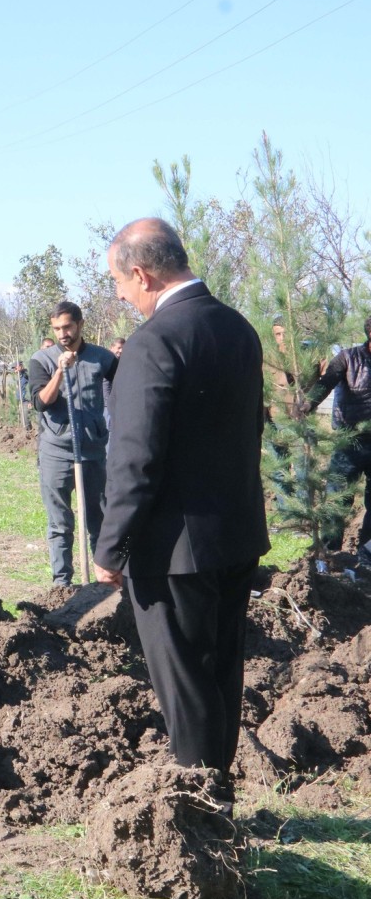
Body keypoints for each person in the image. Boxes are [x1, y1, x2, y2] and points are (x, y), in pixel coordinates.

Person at [96, 217, 268, 781]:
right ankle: (219, 799)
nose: (121, 297)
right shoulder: (239, 328)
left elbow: (135, 459)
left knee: (187, 685)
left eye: (120, 285)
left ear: (141, 274)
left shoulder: (154, 342)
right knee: (221, 676)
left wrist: (111, 546)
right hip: (235, 533)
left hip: (173, 552)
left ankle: (199, 815)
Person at [28, 302, 118, 587]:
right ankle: (62, 585)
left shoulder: (102, 358)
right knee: (60, 523)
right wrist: (58, 372)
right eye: (57, 329)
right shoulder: (41, 359)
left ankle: (104, 582)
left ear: (80, 324)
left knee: (100, 520)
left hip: (93, 452)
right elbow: (41, 402)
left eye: (67, 326)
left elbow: (124, 391)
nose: (62, 333)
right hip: (56, 451)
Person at [301, 317, 371, 564]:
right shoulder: (347, 357)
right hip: (348, 440)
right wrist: (309, 403)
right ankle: (331, 551)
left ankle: (367, 554)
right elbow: (326, 381)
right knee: (337, 496)